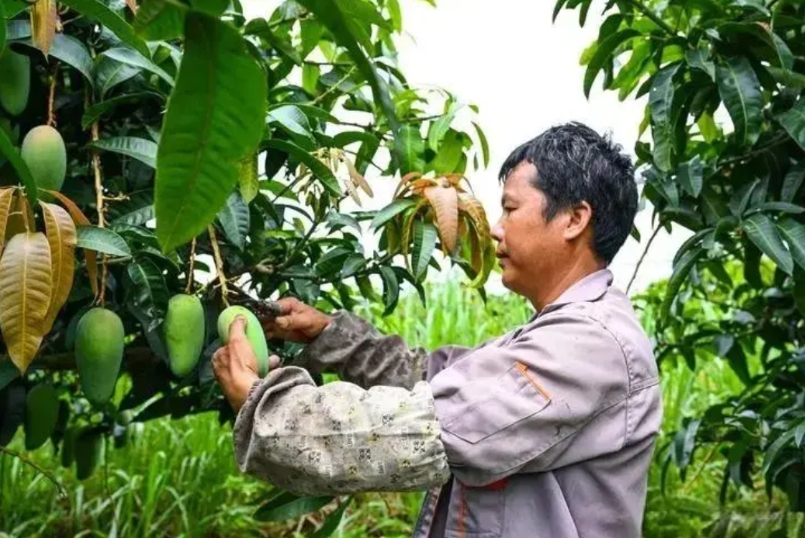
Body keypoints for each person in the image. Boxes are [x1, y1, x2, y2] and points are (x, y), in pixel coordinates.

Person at [212, 122, 662, 538]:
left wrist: (265, 403)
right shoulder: (558, 335)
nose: (496, 232)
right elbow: (440, 380)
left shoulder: (590, 345)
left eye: (509, 209)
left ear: (574, 219)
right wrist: (328, 334)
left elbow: (422, 432)